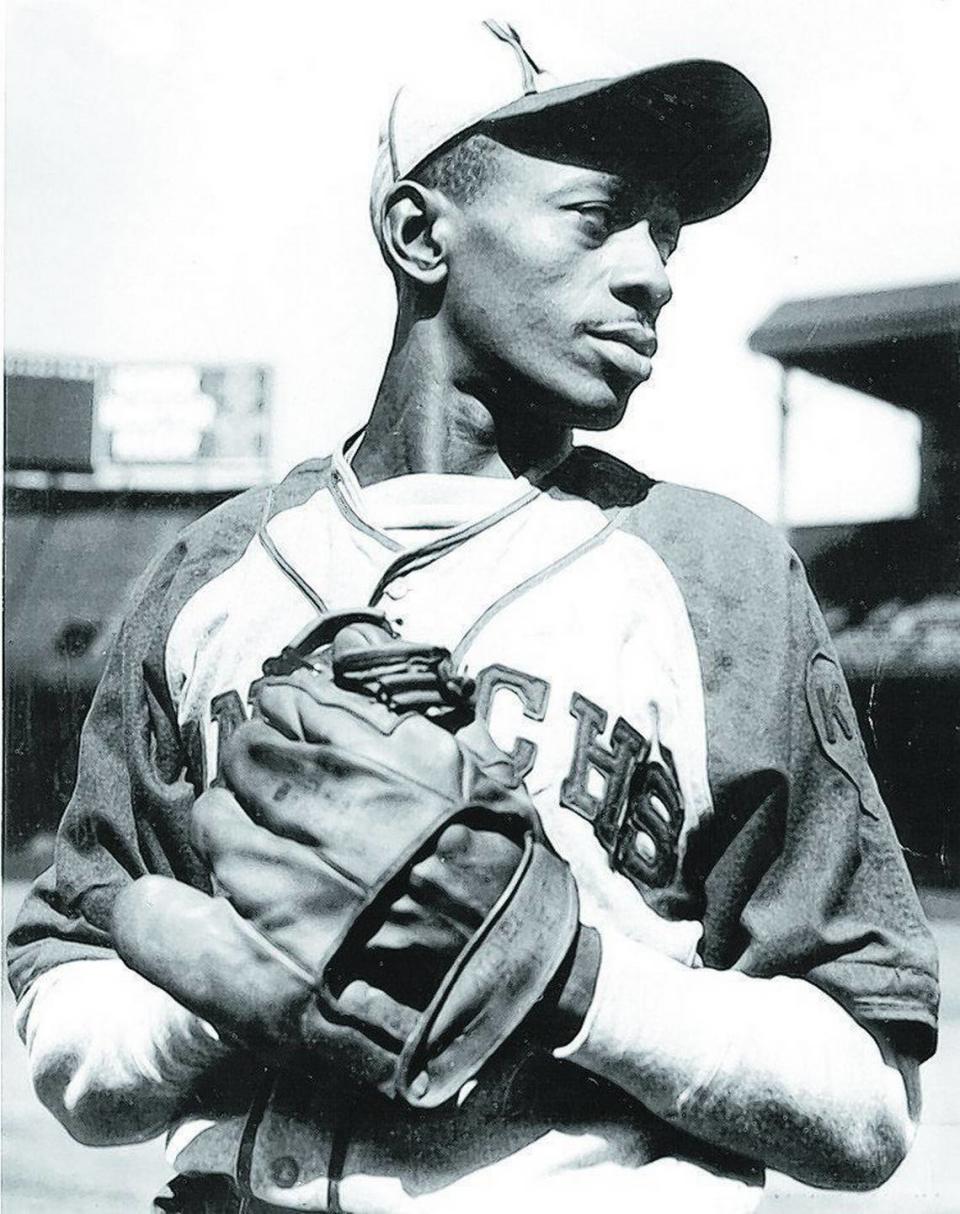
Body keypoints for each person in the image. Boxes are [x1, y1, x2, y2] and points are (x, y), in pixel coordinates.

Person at [8, 18, 939, 1214]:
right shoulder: (212, 573)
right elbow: (65, 1000)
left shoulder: (721, 576)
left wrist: (574, 975)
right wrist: (231, 988)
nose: (656, 271)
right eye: (600, 219)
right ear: (419, 233)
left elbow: (868, 1104)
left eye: (665, 236)